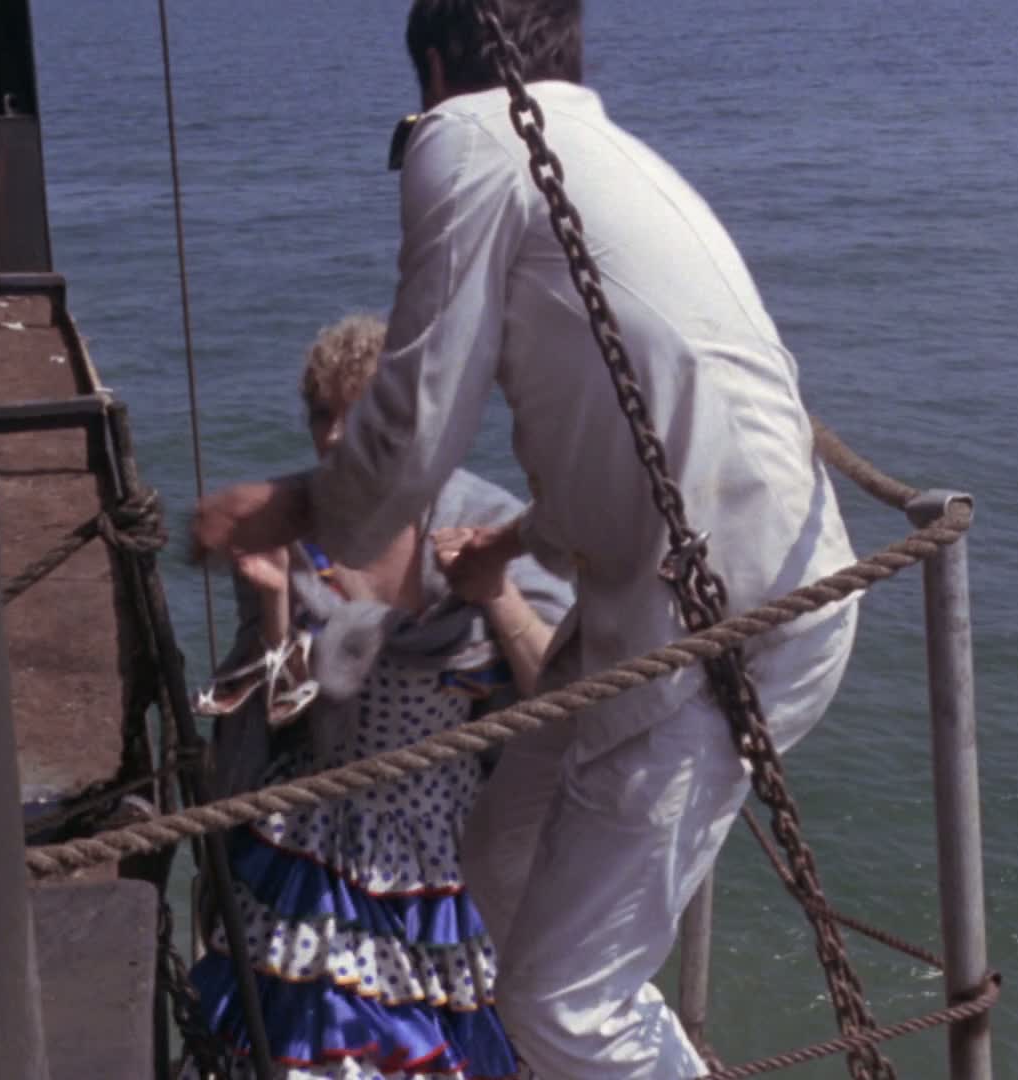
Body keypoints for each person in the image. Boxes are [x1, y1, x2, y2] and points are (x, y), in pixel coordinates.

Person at [188, 2, 862, 1076]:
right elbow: (632, 434)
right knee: (500, 856)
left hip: (721, 620)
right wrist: (512, 547)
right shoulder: (609, 158)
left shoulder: (466, 134)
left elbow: (416, 426)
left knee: (563, 1002)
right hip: (700, 585)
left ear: (435, 69)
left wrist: (295, 504)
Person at [187, 313, 574, 1080]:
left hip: (446, 841)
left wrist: (495, 590)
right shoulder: (289, 533)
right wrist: (273, 602)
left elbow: (561, 696)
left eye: (356, 415)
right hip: (314, 830)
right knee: (310, 1041)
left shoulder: (489, 523)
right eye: (320, 413)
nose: (333, 436)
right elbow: (283, 711)